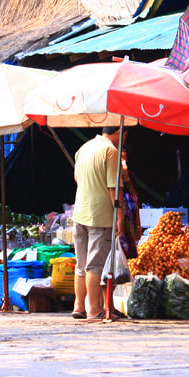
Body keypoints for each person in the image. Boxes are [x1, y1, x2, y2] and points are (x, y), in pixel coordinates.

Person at [71, 126, 126, 321]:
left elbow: (77, 178)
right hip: (99, 215)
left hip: (79, 213)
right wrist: (120, 215)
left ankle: (79, 306)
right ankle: (94, 310)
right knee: (94, 265)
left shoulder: (84, 148)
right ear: (119, 133)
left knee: (81, 264)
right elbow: (114, 189)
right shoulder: (110, 151)